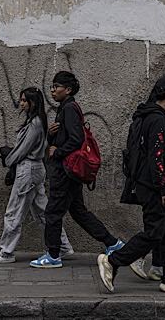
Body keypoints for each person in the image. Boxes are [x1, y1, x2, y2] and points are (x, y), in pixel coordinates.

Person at [97, 76, 165, 293]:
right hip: (154, 187)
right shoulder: (158, 120)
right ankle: (113, 261)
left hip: (147, 183)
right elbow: (157, 157)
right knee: (154, 232)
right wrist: (164, 188)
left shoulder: (147, 116)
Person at [30, 71, 123, 269]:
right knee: (78, 211)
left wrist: (57, 151)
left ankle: (53, 255)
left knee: (53, 212)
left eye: (57, 86)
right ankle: (113, 243)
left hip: (65, 170)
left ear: (68, 89)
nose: (53, 90)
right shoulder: (65, 108)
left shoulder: (69, 108)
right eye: (52, 87)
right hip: (69, 170)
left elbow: (76, 139)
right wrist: (52, 134)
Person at [0, 87, 73, 264]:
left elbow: (22, 150)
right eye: (21, 100)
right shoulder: (36, 122)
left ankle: (6, 252)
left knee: (14, 211)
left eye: (25, 100)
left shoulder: (34, 124)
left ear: (33, 102)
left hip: (28, 171)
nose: (22, 103)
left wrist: (8, 159)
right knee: (42, 212)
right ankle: (62, 246)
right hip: (34, 171)